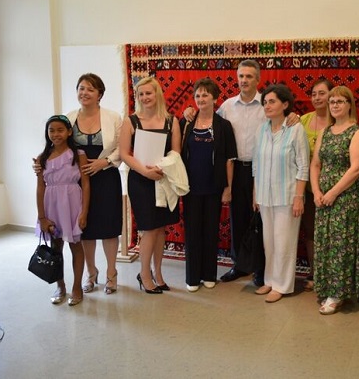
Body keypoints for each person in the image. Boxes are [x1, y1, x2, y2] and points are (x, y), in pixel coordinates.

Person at [183, 60, 299, 286]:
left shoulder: (266, 105)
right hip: (235, 169)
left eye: (249, 76)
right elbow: (206, 117)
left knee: (260, 220)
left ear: (258, 79)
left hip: (262, 170)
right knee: (237, 219)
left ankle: (260, 269)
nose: (244, 80)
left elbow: (282, 120)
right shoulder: (227, 106)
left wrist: (292, 116)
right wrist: (189, 111)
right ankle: (239, 265)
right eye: (241, 76)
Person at [120, 76, 182, 294]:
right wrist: (145, 171)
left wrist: (161, 168)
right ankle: (144, 274)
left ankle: (158, 272)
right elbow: (124, 154)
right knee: (149, 229)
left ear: (157, 94)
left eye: (149, 93)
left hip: (163, 178)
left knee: (161, 228)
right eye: (141, 94)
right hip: (140, 181)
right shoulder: (130, 121)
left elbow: (176, 152)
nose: (145, 97)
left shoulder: (171, 121)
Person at [310, 86, 359, 315]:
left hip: (345, 199)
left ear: (349, 104)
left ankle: (338, 293)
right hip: (323, 198)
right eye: (332, 101)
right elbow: (316, 164)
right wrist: (316, 191)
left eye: (340, 101)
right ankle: (326, 287)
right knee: (324, 243)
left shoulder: (356, 133)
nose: (334, 105)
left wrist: (333, 192)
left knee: (340, 245)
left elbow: (357, 168)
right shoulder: (325, 131)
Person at [252, 84, 309, 303]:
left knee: (284, 242)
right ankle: (269, 280)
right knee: (269, 242)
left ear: (285, 104)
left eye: (272, 101)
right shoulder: (262, 130)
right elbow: (256, 164)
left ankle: (282, 285)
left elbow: (303, 166)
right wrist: (256, 193)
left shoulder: (296, 129)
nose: (267, 106)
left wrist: (299, 197)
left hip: (287, 196)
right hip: (265, 196)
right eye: (265, 102)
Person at [67, 74, 123, 295]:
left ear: (100, 94)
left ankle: (111, 274)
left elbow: (122, 147)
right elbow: (58, 145)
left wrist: (105, 162)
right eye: (81, 88)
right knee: (85, 228)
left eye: (90, 89)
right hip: (79, 181)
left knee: (109, 228)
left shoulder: (113, 117)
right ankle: (91, 273)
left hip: (106, 177)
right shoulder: (69, 118)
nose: (85, 93)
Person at [180, 78, 237, 292]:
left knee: (210, 231)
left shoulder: (224, 126)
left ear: (215, 98)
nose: (201, 99)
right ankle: (192, 277)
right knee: (192, 232)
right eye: (197, 95)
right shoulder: (186, 123)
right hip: (190, 188)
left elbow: (229, 160)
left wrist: (228, 188)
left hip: (214, 187)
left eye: (205, 95)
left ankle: (209, 274)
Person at [36, 115, 90, 306]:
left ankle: (77, 287)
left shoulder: (78, 155)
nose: (55, 134)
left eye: (60, 130)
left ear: (68, 132)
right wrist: (42, 217)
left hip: (72, 203)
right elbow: (40, 187)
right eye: (51, 130)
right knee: (55, 247)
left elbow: (86, 183)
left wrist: (84, 212)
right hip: (51, 205)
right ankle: (60, 286)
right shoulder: (42, 158)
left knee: (76, 245)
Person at [300, 79, 333, 291]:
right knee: (311, 232)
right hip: (308, 188)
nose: (317, 98)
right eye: (314, 94)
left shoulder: (339, 119)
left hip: (333, 187)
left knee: (331, 233)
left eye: (322, 93)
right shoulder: (303, 120)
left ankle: (332, 275)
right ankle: (315, 272)